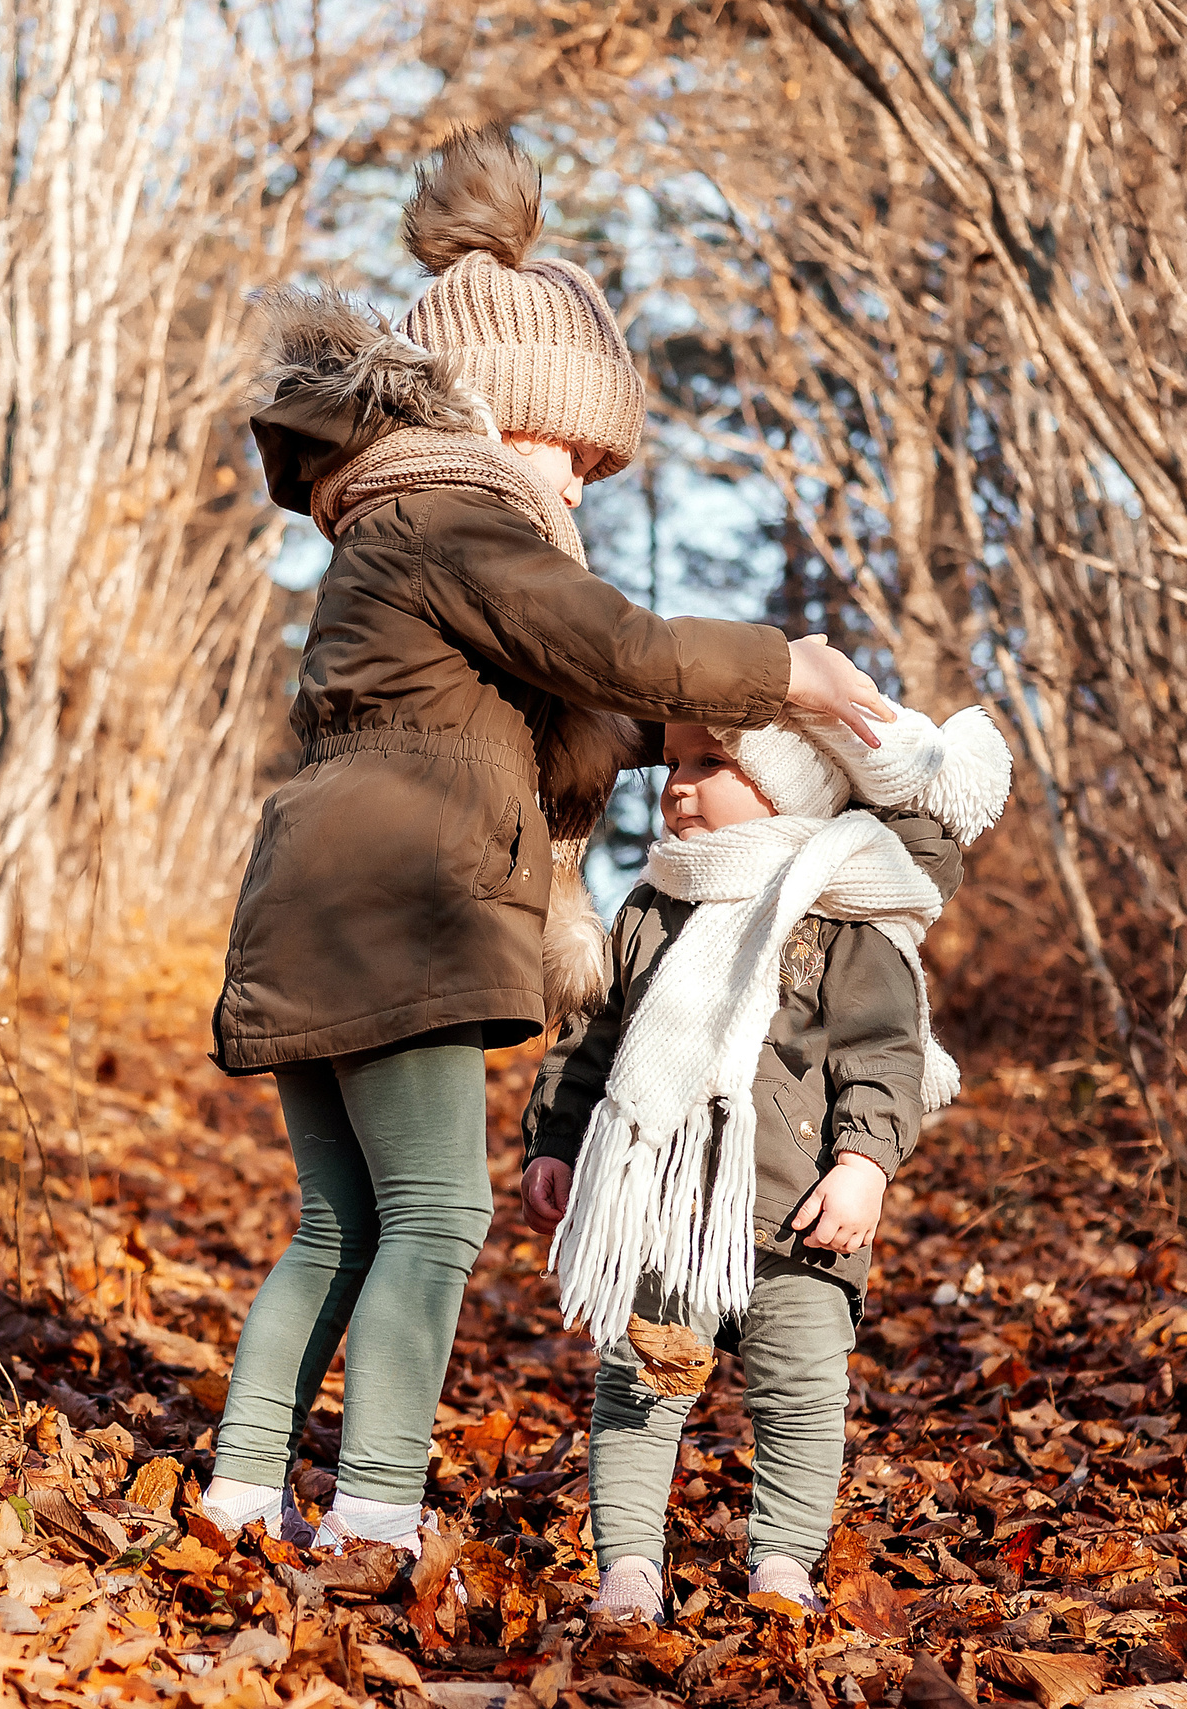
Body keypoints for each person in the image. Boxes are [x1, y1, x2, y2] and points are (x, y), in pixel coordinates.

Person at [197, 121, 900, 1556]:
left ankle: (242, 1486)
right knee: (435, 1215)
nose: (578, 485)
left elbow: (571, 712)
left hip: (314, 898)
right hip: (396, 904)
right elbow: (620, 648)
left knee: (341, 1222)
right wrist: (791, 671)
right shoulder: (457, 515)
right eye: (572, 450)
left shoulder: (395, 530)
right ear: (499, 408)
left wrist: (725, 740)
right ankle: (375, 1511)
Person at [520, 706, 1011, 1620]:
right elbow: (590, 1039)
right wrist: (556, 1140)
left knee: (801, 1395)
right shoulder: (653, 904)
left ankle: (782, 1557)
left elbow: (883, 1052)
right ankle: (629, 1564)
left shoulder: (842, 909)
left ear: (787, 784)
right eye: (673, 764)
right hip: (667, 1202)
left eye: (710, 763)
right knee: (642, 1381)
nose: (678, 786)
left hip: (800, 1208)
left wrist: (864, 1162)